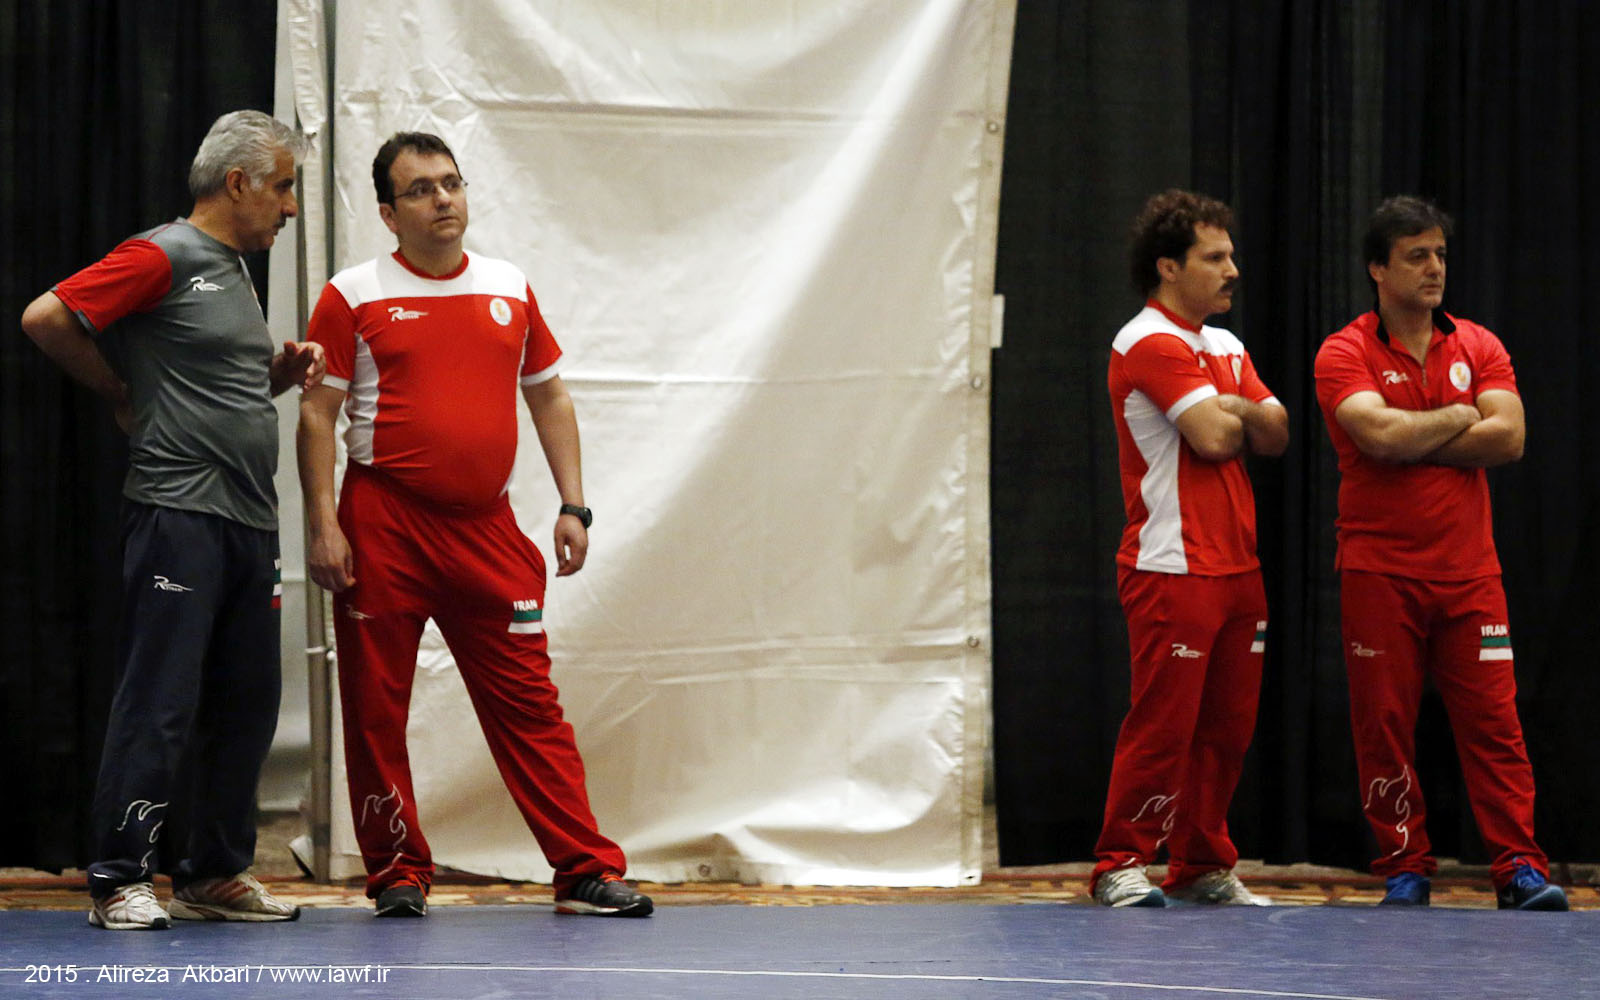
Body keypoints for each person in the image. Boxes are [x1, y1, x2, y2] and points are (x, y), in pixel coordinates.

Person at [297, 131, 651, 919]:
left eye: (451, 183)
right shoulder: (352, 295)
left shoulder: (508, 286)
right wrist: (323, 525)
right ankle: (397, 872)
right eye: (420, 189)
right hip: (384, 522)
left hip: (487, 530)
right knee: (376, 708)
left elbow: (549, 394)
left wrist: (573, 504)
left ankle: (584, 869)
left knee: (530, 703)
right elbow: (316, 414)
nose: (442, 199)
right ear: (388, 213)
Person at [19, 110, 322, 930]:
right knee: (160, 699)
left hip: (248, 520)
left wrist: (278, 374)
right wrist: (119, 391)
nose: (290, 206)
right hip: (178, 513)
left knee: (248, 700)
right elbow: (46, 317)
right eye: (283, 186)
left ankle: (214, 873)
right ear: (239, 183)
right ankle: (119, 877)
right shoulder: (166, 253)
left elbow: (214, 386)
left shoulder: (233, 270)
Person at [1313, 196, 1566, 911]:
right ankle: (1404, 866)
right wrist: (1458, 415)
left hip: (1470, 574)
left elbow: (1509, 439)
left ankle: (1519, 868)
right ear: (1378, 269)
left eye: (1441, 255)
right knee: (1383, 726)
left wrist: (1412, 435)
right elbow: (1377, 437)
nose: (1434, 269)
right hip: (1379, 573)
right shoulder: (1343, 351)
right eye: (1417, 256)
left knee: (1496, 724)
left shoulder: (1479, 345)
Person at [1089, 190, 1288, 908]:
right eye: (1215, 257)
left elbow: (1277, 434)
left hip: (1238, 569)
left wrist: (1236, 408)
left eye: (1231, 256)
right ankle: (1119, 862)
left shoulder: (1226, 346)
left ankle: (1200, 863)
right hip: (1172, 566)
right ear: (1168, 267)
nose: (1233, 270)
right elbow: (1215, 437)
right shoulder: (1147, 341)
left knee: (1226, 730)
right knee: (1163, 725)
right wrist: (1238, 409)